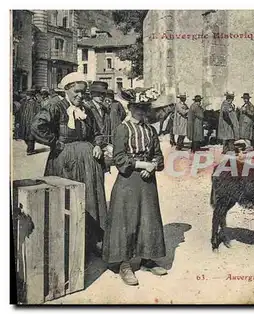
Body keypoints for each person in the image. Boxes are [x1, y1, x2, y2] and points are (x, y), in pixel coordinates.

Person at [30, 72, 107, 257]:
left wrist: (97, 145)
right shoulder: (55, 106)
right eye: (76, 92)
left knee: (90, 201)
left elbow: (98, 132)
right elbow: (36, 126)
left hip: (89, 164)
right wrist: (55, 143)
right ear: (67, 89)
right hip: (65, 163)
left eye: (83, 92)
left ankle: (90, 243)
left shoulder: (87, 109)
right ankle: (67, 245)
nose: (80, 96)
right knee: (66, 201)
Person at [102, 89, 167, 286]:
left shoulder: (150, 130)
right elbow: (119, 157)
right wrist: (141, 165)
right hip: (128, 180)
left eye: (144, 108)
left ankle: (147, 258)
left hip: (147, 182)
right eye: (137, 107)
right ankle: (124, 264)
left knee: (149, 219)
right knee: (127, 220)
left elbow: (159, 155)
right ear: (130, 108)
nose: (141, 111)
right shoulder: (122, 129)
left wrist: (153, 166)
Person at [17, 88, 41, 155]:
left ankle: (30, 150)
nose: (26, 96)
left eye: (28, 95)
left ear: (31, 96)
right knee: (25, 136)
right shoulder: (25, 102)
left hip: (32, 122)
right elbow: (21, 111)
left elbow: (39, 113)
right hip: (25, 122)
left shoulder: (36, 104)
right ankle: (30, 148)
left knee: (31, 137)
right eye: (26, 95)